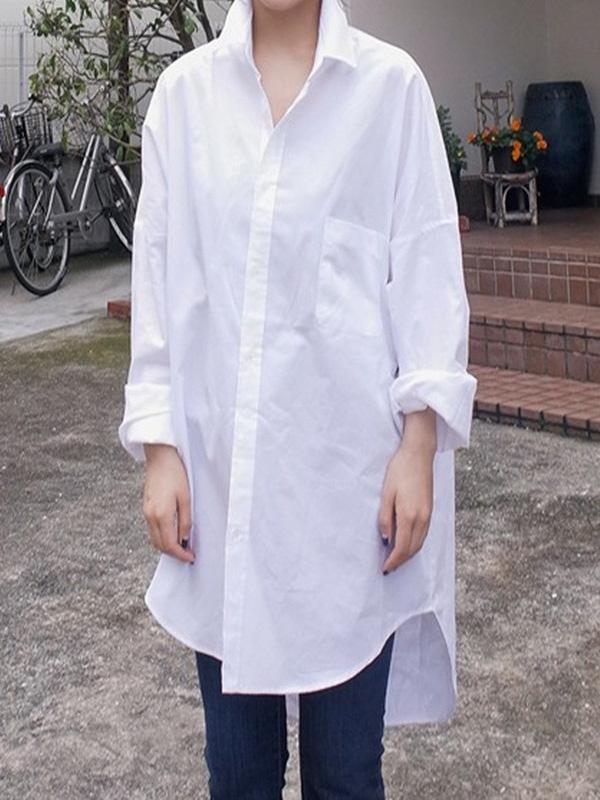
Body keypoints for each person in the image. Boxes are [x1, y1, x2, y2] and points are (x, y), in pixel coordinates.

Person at [117, 0, 478, 797]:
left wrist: (419, 444)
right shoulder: (185, 99)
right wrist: (160, 449)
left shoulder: (390, 89)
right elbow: (160, 282)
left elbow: (426, 275)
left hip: (353, 500)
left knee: (346, 773)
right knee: (238, 772)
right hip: (224, 494)